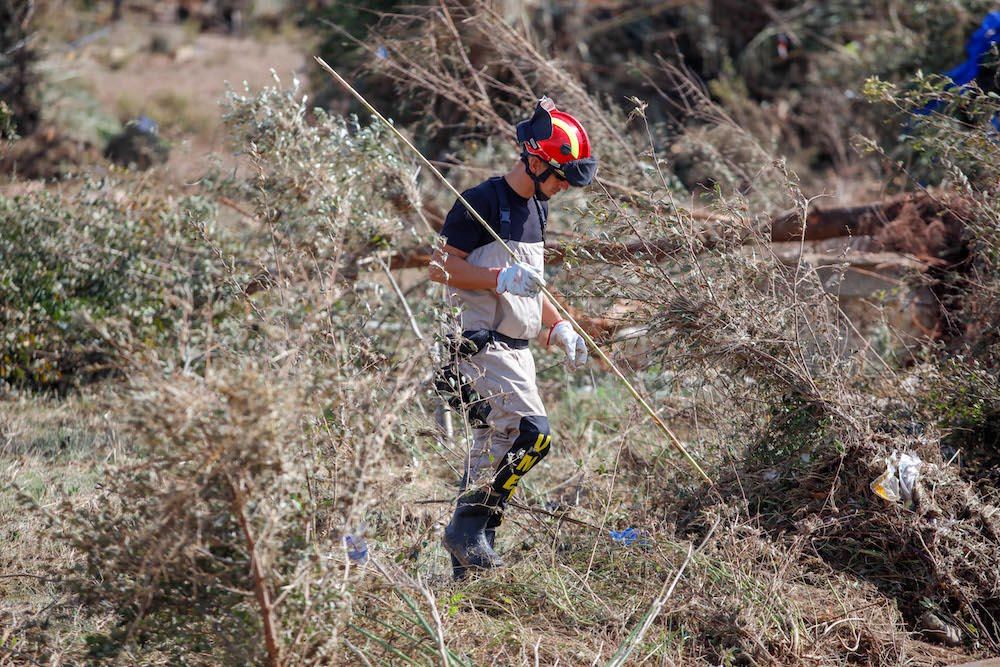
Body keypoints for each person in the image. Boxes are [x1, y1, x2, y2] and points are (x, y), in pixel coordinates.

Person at [429, 97, 597, 578]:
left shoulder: (537, 211)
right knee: (533, 436)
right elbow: (441, 267)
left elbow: (531, 285)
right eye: (561, 175)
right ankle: (465, 529)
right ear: (537, 160)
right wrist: (498, 278)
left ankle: (467, 576)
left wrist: (558, 325)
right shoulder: (481, 200)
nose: (564, 186)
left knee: (496, 449)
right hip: (479, 343)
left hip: (518, 349)